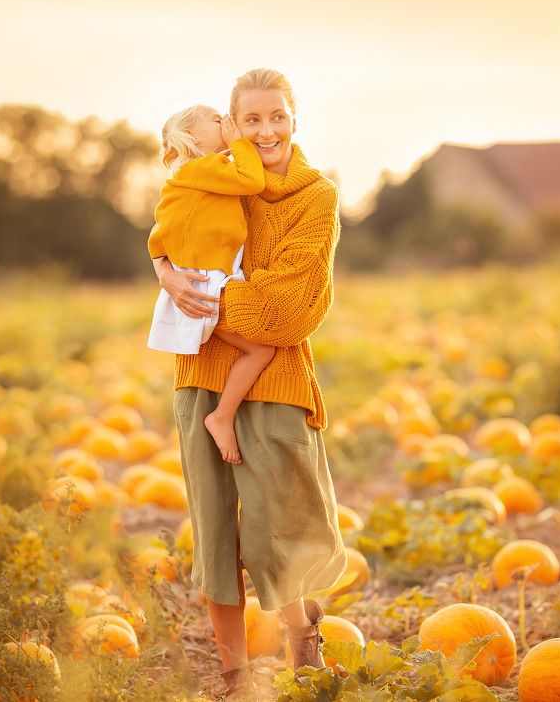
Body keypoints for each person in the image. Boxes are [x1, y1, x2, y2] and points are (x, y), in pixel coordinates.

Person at [153, 68, 347, 701]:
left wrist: (198, 296)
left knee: (277, 529)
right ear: (233, 124)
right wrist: (164, 270)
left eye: (277, 117)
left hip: (276, 374)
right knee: (216, 535)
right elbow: (174, 229)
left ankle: (302, 640)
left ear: (294, 119)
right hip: (199, 373)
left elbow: (288, 310)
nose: (266, 131)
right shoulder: (216, 176)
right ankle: (234, 678)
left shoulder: (315, 197)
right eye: (252, 119)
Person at [147, 104, 276, 465]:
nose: (227, 123)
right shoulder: (201, 168)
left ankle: (221, 415)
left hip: (205, 280)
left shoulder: (194, 175)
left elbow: (160, 232)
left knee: (257, 351)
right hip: (207, 285)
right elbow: (252, 181)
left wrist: (163, 262)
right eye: (217, 120)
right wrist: (239, 144)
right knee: (261, 351)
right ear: (192, 137)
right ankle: (221, 416)